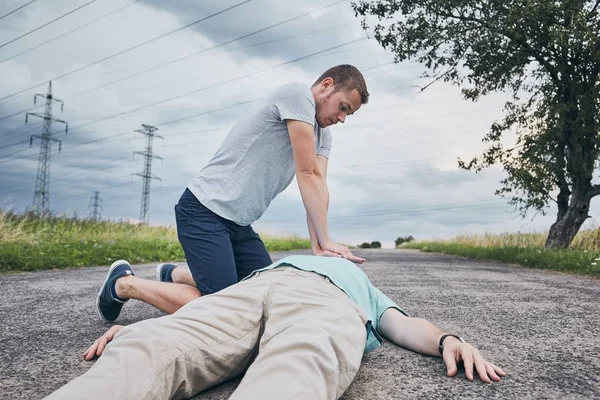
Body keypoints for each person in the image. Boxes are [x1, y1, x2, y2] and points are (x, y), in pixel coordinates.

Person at [96, 65, 370, 323]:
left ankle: (175, 275)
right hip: (204, 212)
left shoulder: (324, 136)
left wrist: (319, 247)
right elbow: (307, 174)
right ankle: (123, 284)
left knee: (265, 295)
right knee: (227, 311)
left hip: (238, 226)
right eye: (343, 107)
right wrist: (326, 240)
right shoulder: (298, 96)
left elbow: (318, 186)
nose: (342, 118)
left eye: (350, 114)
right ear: (326, 86)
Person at [52, 255, 506, 400]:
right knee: (151, 344)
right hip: (254, 289)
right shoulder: (283, 257)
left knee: (301, 361)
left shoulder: (363, 286)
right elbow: (206, 301)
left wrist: (449, 338)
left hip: (327, 303)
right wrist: (153, 326)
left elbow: (405, 327)